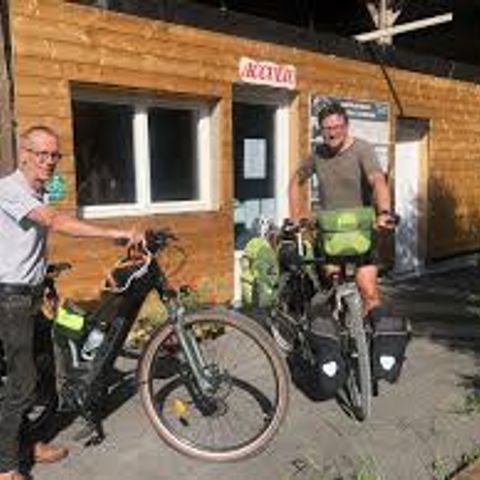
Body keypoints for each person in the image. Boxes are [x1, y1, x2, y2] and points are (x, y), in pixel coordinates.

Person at [0, 125, 144, 480]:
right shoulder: (9, 189)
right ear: (25, 154)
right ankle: (6, 466)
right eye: (42, 154)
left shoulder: (36, 190)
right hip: (11, 299)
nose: (49, 161)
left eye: (54, 155)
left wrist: (43, 275)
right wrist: (115, 232)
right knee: (22, 384)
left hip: (31, 294)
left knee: (46, 374)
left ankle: (28, 444)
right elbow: (53, 221)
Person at [289, 101, 393, 315]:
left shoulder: (362, 149)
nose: (332, 133)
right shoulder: (318, 154)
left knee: (368, 290)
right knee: (332, 288)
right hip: (331, 234)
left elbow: (377, 180)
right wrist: (296, 217)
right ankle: (339, 329)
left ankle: (368, 333)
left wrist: (384, 213)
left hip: (361, 233)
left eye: (337, 127)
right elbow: (295, 182)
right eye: (327, 128)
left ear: (346, 126)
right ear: (321, 130)